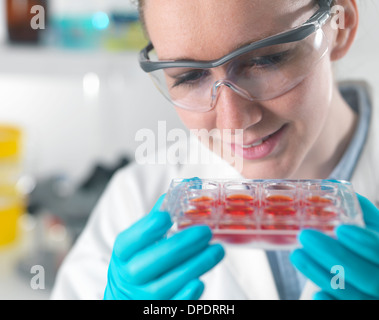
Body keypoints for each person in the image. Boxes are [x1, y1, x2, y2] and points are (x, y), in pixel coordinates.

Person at [51, 0, 379, 300]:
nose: (234, 119)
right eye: (190, 76)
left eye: (266, 60)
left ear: (341, 26)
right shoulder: (134, 200)